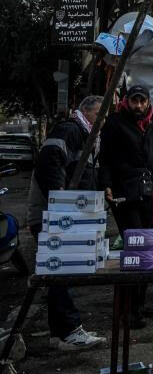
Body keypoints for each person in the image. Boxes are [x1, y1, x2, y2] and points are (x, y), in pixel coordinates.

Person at [25, 95, 108, 350]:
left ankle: (59, 332)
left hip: (66, 215)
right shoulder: (70, 130)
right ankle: (69, 330)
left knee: (59, 273)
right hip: (55, 216)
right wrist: (62, 203)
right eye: (99, 117)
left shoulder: (88, 137)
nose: (101, 122)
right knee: (61, 272)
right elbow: (50, 164)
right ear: (86, 112)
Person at [99, 85, 153, 328]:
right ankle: (127, 312)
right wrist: (106, 184)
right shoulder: (115, 124)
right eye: (134, 101)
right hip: (124, 195)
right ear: (127, 102)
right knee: (135, 249)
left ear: (148, 102)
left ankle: (139, 304)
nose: (138, 106)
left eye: (142, 101)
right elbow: (104, 158)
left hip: (148, 194)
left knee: (147, 249)